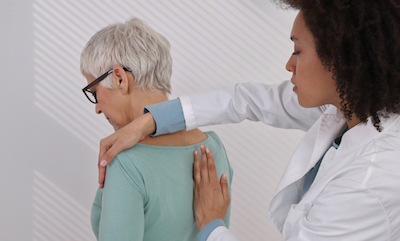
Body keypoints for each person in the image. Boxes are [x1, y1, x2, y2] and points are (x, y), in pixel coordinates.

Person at [95, 1, 400, 240]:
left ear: (341, 57)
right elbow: (247, 100)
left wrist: (212, 226)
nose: (288, 64)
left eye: (297, 50)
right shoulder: (211, 147)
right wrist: (149, 122)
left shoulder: (366, 183)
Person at [80, 17, 233, 240]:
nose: (97, 109)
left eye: (94, 93)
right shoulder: (213, 148)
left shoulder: (126, 163)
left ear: (120, 78)